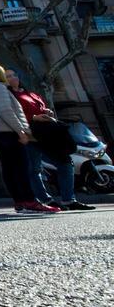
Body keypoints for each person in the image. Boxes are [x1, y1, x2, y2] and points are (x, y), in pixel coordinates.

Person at [6, 69, 93, 211]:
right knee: (34, 169)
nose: (12, 78)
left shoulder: (32, 94)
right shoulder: (8, 96)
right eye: (8, 76)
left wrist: (47, 112)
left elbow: (43, 108)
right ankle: (46, 200)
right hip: (29, 135)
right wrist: (33, 118)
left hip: (47, 134)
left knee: (65, 162)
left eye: (14, 75)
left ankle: (68, 199)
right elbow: (11, 114)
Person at [0, 65, 59, 214]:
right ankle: (30, 201)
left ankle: (20, 201)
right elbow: (6, 111)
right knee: (21, 167)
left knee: (9, 168)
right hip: (8, 132)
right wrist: (21, 131)